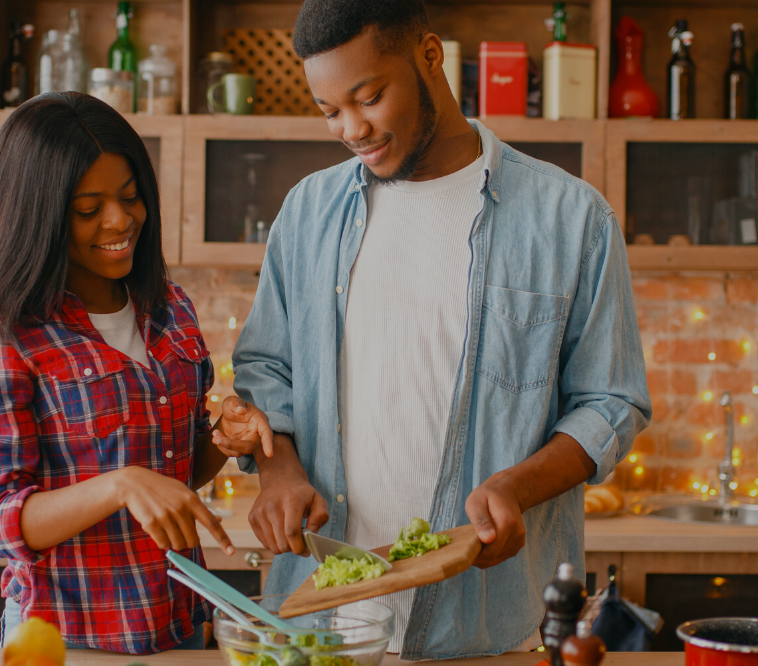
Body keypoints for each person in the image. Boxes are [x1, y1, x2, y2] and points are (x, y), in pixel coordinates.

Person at [216, 0, 653, 659]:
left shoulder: (572, 219)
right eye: (330, 110)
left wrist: (516, 486)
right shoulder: (307, 212)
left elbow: (610, 402)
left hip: (490, 627)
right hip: (319, 628)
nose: (351, 128)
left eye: (368, 97)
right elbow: (266, 368)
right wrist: (278, 470)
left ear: (428, 56)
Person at [0, 92, 275, 654]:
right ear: (37, 214)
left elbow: (172, 474)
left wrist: (223, 437)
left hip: (176, 628)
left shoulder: (168, 308)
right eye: (88, 208)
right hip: (66, 642)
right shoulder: (1, 334)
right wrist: (119, 485)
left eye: (130, 197)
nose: (121, 220)